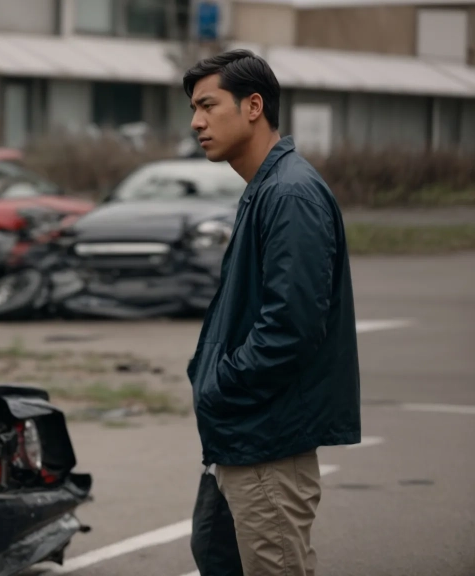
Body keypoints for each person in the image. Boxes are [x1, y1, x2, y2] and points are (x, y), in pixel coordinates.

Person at [182, 49, 361, 576]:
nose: (196, 123)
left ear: (253, 106)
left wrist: (221, 386)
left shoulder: (290, 194)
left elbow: (290, 328)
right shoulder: (267, 189)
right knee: (217, 556)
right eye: (194, 109)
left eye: (208, 106)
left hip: (266, 438)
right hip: (241, 437)